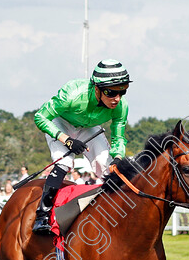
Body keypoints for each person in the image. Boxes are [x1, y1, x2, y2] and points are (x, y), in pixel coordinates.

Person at [31, 59, 130, 234]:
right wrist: (66, 140)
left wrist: (118, 157)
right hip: (60, 123)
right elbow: (40, 117)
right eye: (111, 92)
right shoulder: (72, 94)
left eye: (122, 92)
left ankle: (117, 214)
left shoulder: (121, 106)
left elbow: (118, 138)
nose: (117, 99)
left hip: (89, 127)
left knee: (106, 165)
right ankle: (42, 216)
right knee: (65, 162)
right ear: (97, 88)